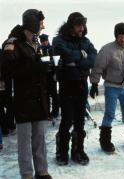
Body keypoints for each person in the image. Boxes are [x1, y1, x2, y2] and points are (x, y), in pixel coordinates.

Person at [2, 9, 52, 179]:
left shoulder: (35, 42)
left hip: (39, 98)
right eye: (40, 23)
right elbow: (10, 70)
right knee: (24, 142)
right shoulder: (12, 43)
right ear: (31, 24)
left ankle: (42, 171)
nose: (43, 27)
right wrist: (37, 67)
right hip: (23, 100)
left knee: (39, 139)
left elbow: (37, 66)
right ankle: (27, 175)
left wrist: (48, 68)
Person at [52, 12, 97, 165]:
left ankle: (78, 150)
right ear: (71, 26)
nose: (82, 28)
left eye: (83, 25)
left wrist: (78, 61)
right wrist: (81, 56)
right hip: (66, 84)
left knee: (79, 120)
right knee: (67, 119)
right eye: (79, 25)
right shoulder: (58, 40)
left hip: (82, 84)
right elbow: (64, 54)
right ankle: (62, 151)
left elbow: (93, 57)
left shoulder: (86, 41)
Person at [90, 22, 124, 153]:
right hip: (112, 86)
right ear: (116, 36)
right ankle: (105, 141)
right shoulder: (107, 49)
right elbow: (98, 67)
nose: (122, 39)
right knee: (110, 114)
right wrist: (94, 84)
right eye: (120, 36)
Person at [39, 34, 59, 119]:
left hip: (51, 75)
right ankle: (46, 112)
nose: (44, 42)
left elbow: (56, 62)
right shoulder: (39, 50)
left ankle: (55, 112)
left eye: (45, 41)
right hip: (43, 76)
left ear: (48, 40)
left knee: (54, 94)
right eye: (42, 41)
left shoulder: (52, 49)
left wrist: (56, 73)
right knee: (45, 95)